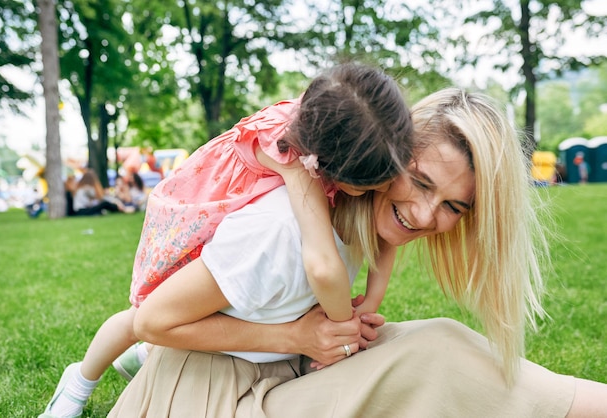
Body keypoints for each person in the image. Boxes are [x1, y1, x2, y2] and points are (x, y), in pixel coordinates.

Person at [107, 88, 607, 417]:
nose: (428, 216)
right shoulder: (286, 224)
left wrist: (330, 332)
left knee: (433, 341)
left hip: (266, 375)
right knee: (435, 355)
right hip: (207, 399)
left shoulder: (352, 224)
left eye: (454, 205)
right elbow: (152, 321)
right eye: (419, 182)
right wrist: (297, 337)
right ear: (386, 154)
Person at [39, 62, 414, 417]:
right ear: (329, 167)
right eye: (371, 186)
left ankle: (149, 352)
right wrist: (343, 329)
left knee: (214, 307)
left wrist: (372, 302)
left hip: (236, 207)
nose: (386, 189)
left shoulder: (337, 117)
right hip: (203, 215)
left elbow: (378, 238)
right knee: (143, 315)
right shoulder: (295, 164)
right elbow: (323, 265)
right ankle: (78, 383)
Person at [70, 169, 135, 216]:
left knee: (102, 206)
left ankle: (121, 209)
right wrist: (114, 201)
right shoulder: (86, 188)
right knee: (104, 204)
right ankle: (122, 210)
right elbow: (100, 197)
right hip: (81, 211)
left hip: (80, 210)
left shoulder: (82, 188)